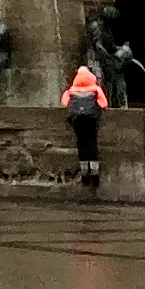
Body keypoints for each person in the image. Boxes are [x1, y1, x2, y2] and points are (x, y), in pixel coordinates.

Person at [61, 58, 110, 192]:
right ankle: (94, 172)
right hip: (91, 118)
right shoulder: (95, 88)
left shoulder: (71, 90)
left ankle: (84, 172)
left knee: (81, 143)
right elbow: (104, 104)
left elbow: (64, 102)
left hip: (77, 119)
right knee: (92, 143)